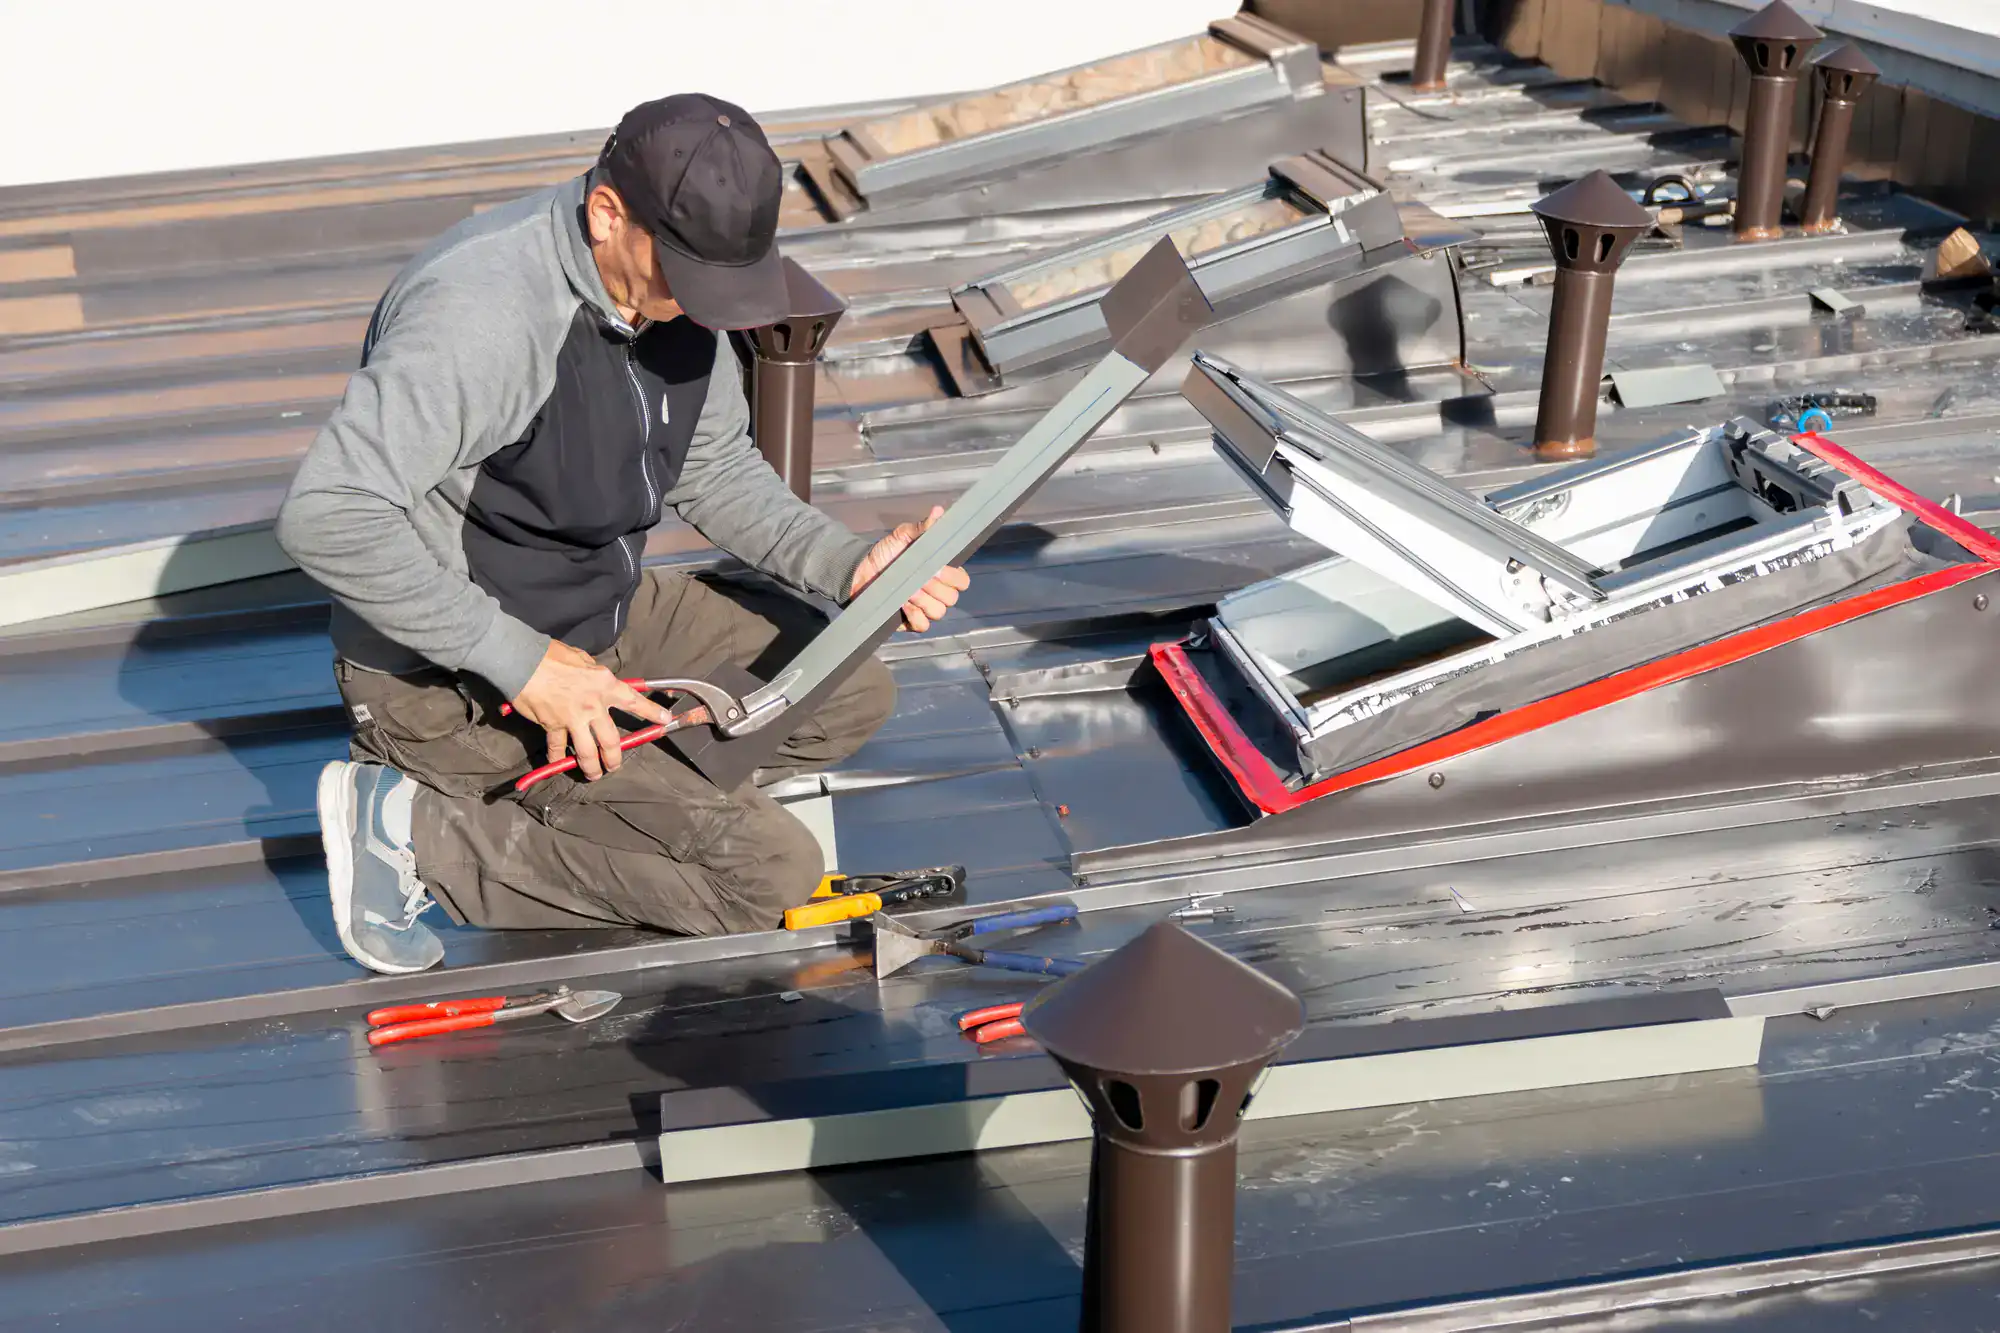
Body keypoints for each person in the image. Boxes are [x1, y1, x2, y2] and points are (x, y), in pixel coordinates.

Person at [276, 93, 969, 975]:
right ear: (608, 215)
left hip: (596, 610)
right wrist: (522, 663)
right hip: (447, 675)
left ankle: (632, 808)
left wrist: (846, 562)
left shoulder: (671, 290)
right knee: (770, 880)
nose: (701, 307)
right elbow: (326, 511)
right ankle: (415, 824)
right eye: (686, 276)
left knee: (845, 686)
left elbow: (711, 465)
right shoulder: (484, 317)